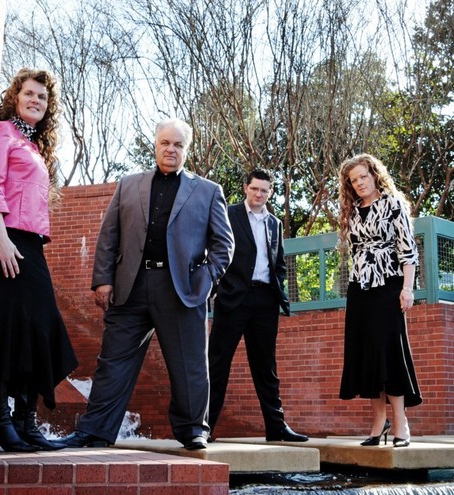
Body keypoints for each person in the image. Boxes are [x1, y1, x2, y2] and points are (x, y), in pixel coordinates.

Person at [58, 118, 234, 450]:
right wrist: (103, 280)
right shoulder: (128, 185)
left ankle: (193, 430)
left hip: (181, 290)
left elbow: (224, 245)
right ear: (155, 145)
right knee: (112, 363)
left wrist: (206, 279)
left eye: (178, 144)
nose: (171, 149)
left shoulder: (209, 191)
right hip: (131, 286)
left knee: (190, 365)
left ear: (187, 150)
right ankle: (95, 431)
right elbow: (109, 235)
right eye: (165, 143)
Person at [0, 68, 78, 452]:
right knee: (4, 329)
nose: (36, 100)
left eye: (42, 97)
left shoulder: (33, 145)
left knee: (39, 328)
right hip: (2, 237)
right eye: (29, 93)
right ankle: (0, 419)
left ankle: (26, 420)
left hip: (30, 243)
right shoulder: (1, 132)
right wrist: (0, 238)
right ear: (15, 96)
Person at [207, 169, 308, 443]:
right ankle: (204, 427)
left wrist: (278, 289)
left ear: (270, 193)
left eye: (264, 190)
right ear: (246, 188)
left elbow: (279, 263)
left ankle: (276, 428)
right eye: (254, 189)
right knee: (217, 364)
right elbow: (214, 249)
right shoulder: (229, 214)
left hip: (265, 301)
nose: (259, 194)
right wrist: (218, 287)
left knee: (266, 368)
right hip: (233, 299)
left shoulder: (274, 223)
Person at [337, 153, 422, 448]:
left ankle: (400, 423)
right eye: (354, 180)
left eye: (363, 176)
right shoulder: (352, 211)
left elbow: (408, 250)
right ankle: (378, 422)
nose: (359, 183)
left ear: (375, 175)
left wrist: (407, 288)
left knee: (389, 352)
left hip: (388, 286)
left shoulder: (393, 204)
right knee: (367, 354)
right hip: (360, 289)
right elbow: (355, 252)